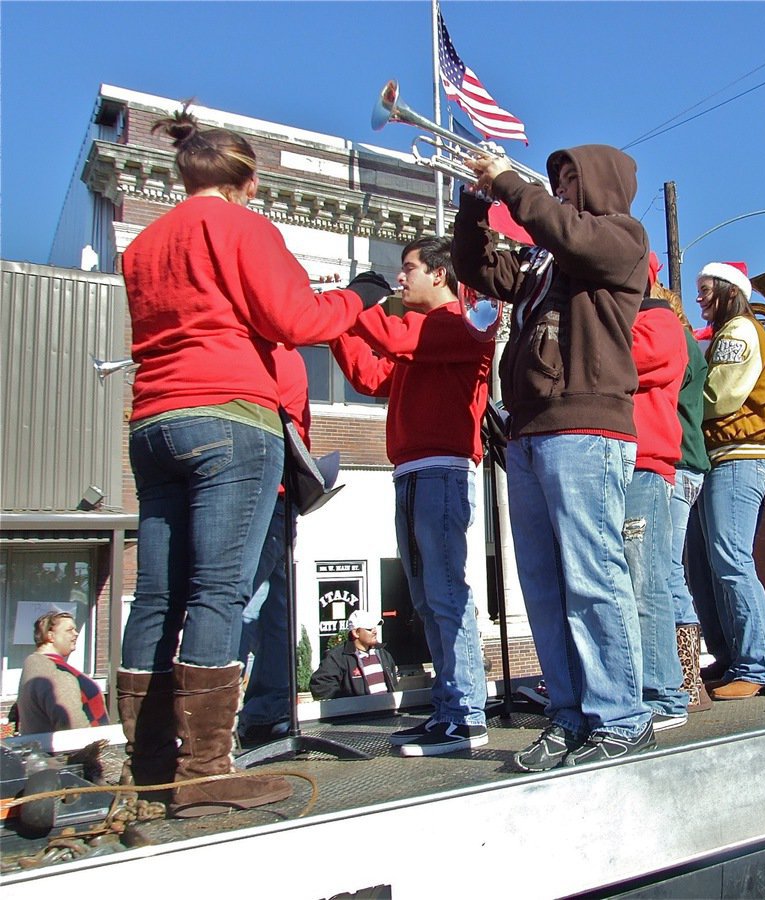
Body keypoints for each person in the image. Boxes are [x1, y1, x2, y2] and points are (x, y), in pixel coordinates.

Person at [117, 103, 390, 817]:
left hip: (153, 419)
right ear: (245, 181)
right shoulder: (242, 225)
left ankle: (150, 770)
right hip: (228, 418)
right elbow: (297, 320)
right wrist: (358, 298)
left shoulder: (144, 244)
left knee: (156, 595)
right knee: (217, 592)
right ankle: (206, 772)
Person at [454, 144, 654, 769]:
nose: (562, 188)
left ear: (601, 184)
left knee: (593, 577)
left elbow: (567, 231)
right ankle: (569, 716)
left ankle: (619, 715)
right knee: (543, 585)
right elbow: (480, 269)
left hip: (587, 425)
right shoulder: (546, 258)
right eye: (557, 180)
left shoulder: (622, 237)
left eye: (571, 179)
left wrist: (511, 183)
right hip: (530, 430)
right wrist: (473, 204)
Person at [329, 235, 493, 757]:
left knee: (445, 595)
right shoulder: (420, 336)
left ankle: (465, 715)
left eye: (408, 269)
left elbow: (392, 339)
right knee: (427, 599)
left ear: (440, 275)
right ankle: (449, 710)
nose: (401, 279)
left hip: (441, 473)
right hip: (414, 474)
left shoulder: (456, 326)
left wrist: (350, 304)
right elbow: (370, 375)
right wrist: (337, 324)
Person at [687, 261, 765, 700]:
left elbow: (719, 396)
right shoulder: (734, 333)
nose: (699, 298)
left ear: (728, 290)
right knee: (714, 564)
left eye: (705, 289)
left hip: (739, 457)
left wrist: (680, 404)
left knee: (730, 559)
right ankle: (734, 660)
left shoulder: (739, 333)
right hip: (727, 457)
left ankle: (760, 664)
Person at [236, 346, 310, 747]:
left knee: (247, 599)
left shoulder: (273, 357)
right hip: (276, 493)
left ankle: (256, 710)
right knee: (266, 602)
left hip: (266, 491)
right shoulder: (288, 358)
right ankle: (268, 710)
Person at [626, 266, 690, 730]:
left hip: (646, 465)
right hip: (623, 463)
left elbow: (624, 360)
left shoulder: (660, 321)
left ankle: (664, 693)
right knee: (631, 581)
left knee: (646, 582)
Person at [650, 281, 713, 713]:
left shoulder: (677, 339)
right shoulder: (687, 339)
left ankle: (689, 682)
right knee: (669, 568)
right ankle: (686, 681)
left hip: (681, 465)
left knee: (669, 570)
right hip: (686, 464)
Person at [16, 612, 108, 734]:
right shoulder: (52, 671)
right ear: (51, 636)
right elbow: (72, 725)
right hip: (82, 748)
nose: (76, 633)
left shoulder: (36, 663)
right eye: (69, 630)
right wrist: (91, 747)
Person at [309, 610, 402, 700]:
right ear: (356, 633)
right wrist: (347, 705)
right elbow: (319, 686)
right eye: (369, 629)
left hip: (387, 713)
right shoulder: (338, 657)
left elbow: (392, 683)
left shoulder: (383, 654)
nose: (375, 631)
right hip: (359, 714)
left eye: (375, 627)